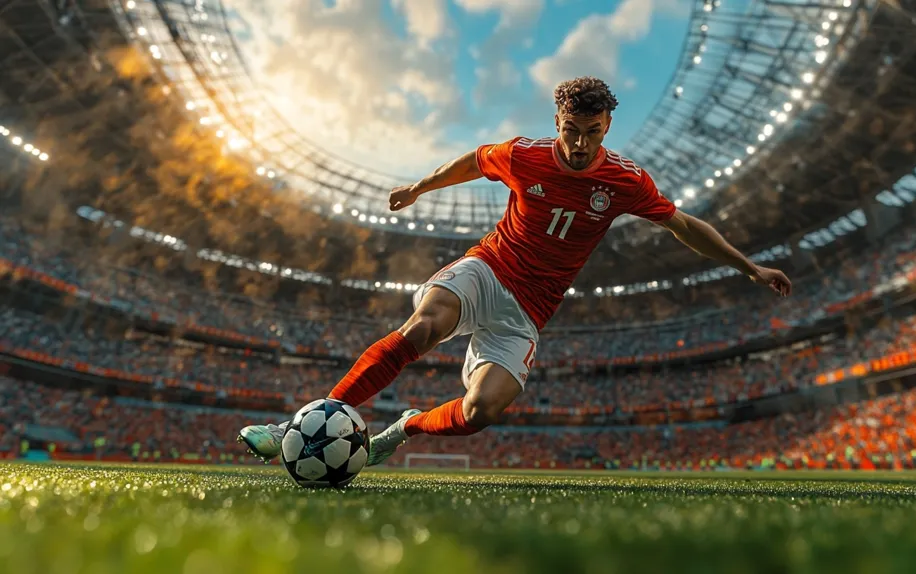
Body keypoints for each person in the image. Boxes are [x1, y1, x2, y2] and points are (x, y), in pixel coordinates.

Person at [237, 76, 792, 466]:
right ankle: (293, 428)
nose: (579, 144)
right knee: (424, 327)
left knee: (480, 411)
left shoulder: (626, 182)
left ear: (607, 125)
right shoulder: (525, 155)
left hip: (529, 309)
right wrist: (420, 187)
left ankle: (404, 426)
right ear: (557, 121)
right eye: (571, 129)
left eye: (592, 131)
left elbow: (683, 226)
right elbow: (473, 160)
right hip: (489, 267)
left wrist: (748, 267)